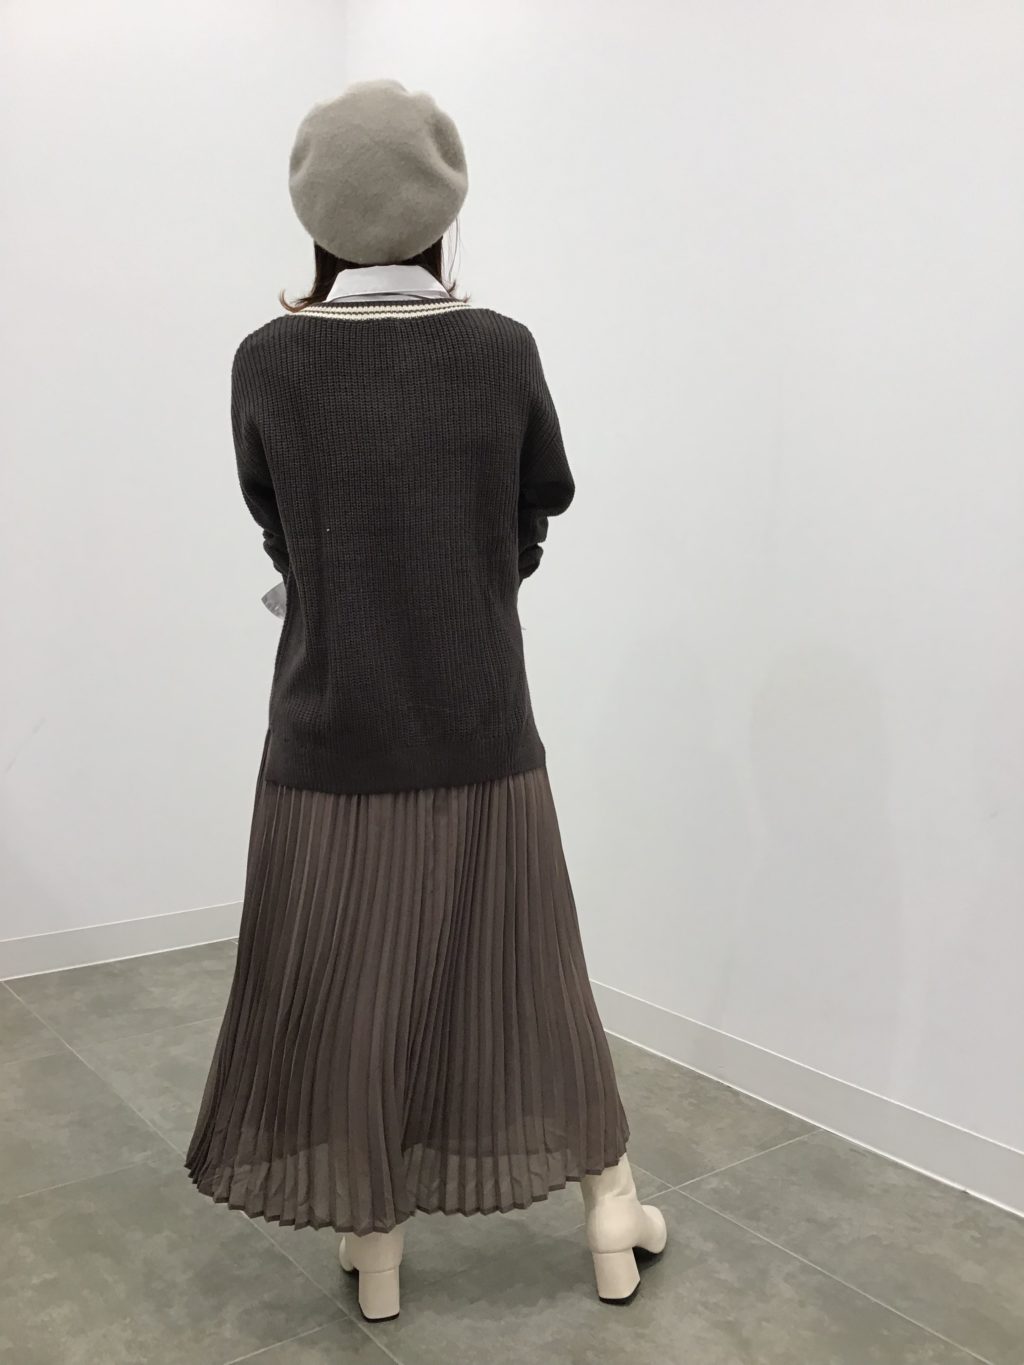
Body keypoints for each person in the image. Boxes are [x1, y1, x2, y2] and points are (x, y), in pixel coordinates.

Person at [184, 77, 666, 1321]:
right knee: (529, 976)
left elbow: (280, 530)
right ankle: (609, 1211)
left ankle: (377, 1240)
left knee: (348, 988)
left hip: (326, 738)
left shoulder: (268, 363)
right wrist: (471, 577)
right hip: (481, 727)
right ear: (445, 207)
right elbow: (536, 504)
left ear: (314, 213)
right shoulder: (498, 350)